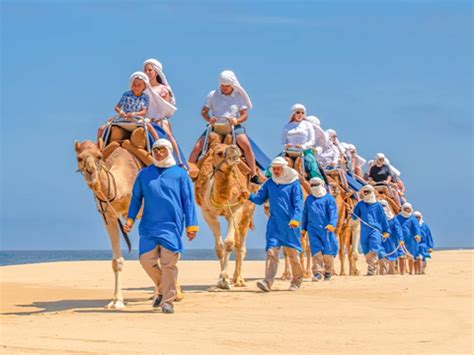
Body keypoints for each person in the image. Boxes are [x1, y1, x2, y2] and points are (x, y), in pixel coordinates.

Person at [123, 139, 199, 314]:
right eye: (155, 150)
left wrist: (191, 225)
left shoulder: (180, 174)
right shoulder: (144, 174)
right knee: (146, 260)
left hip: (171, 226)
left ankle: (168, 301)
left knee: (168, 264)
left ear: (169, 151)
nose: (158, 153)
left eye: (162, 150)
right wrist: (130, 220)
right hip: (148, 226)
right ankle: (161, 287)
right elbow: (136, 198)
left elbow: (188, 201)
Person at [189, 70, 261, 184]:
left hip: (233, 127)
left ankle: (253, 174)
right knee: (197, 147)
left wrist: (235, 120)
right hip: (215, 127)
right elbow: (204, 111)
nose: (224, 88)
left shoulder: (238, 96)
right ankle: (189, 172)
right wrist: (209, 119)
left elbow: (245, 115)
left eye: (227, 86)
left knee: (246, 145)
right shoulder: (213, 94)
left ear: (232, 85)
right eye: (222, 86)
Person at [245, 157, 304, 291]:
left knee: (292, 254)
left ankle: (296, 281)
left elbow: (299, 204)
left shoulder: (293, 184)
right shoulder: (270, 183)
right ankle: (267, 282)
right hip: (274, 224)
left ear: (284, 169)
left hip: (290, 225)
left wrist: (296, 218)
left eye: (279, 169)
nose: (276, 171)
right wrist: (248, 195)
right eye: (274, 169)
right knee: (271, 252)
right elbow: (260, 199)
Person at [142, 58, 184, 166]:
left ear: (156, 72)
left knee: (168, 135)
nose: (147, 72)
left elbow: (165, 106)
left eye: (150, 70)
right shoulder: (142, 89)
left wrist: (155, 118)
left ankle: (178, 160)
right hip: (144, 120)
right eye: (145, 70)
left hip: (159, 119)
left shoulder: (163, 89)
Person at [301, 177, 338, 281]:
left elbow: (333, 213)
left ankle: (328, 271)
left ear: (321, 185)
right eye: (312, 185)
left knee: (328, 251)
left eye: (316, 184)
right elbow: (305, 214)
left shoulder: (329, 198)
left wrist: (332, 224)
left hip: (327, 229)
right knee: (316, 251)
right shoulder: (309, 199)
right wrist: (303, 229)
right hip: (312, 229)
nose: (314, 187)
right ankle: (317, 272)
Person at [98, 71, 151, 141]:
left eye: (139, 85)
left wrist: (134, 114)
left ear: (144, 86)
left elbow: (144, 111)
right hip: (124, 118)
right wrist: (121, 112)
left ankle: (157, 143)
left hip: (137, 119)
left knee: (149, 126)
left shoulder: (145, 97)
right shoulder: (126, 94)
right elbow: (117, 107)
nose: (136, 87)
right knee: (101, 128)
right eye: (134, 85)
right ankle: (99, 145)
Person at [352, 185, 390, 276]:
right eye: (364, 192)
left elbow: (383, 219)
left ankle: (371, 269)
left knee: (374, 247)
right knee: (366, 251)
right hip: (364, 231)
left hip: (375, 230)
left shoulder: (378, 205)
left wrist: (386, 231)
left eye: (367, 192)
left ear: (372, 192)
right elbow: (354, 217)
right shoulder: (360, 204)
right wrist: (352, 212)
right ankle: (374, 264)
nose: (365, 194)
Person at [281, 104, 324, 180]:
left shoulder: (307, 124)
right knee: (275, 164)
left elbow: (312, 140)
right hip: (289, 151)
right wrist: (286, 145)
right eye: (298, 112)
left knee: (310, 164)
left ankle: (318, 183)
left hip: (305, 151)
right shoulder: (287, 126)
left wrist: (303, 146)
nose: (300, 114)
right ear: (293, 113)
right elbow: (283, 140)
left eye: (302, 113)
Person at [394, 202, 422, 275]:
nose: (407, 211)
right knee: (401, 257)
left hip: (411, 240)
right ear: (403, 209)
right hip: (400, 240)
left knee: (411, 256)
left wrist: (418, 235)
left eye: (408, 209)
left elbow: (416, 228)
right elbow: (396, 227)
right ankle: (402, 273)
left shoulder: (413, 218)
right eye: (406, 209)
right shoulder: (397, 218)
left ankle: (411, 272)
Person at [379, 199, 403, 275]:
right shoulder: (376, 219)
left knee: (392, 256)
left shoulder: (393, 219)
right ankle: (382, 272)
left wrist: (401, 239)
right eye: (381, 206)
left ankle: (391, 271)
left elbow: (398, 229)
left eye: (384, 206)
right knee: (381, 255)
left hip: (391, 241)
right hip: (380, 240)